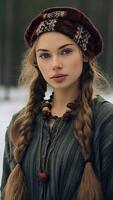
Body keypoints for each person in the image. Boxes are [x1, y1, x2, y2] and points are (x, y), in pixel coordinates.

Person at [1, 6, 113, 200]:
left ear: (85, 54)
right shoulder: (20, 123)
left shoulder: (106, 121)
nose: (55, 64)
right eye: (45, 55)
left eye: (66, 52)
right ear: (36, 61)